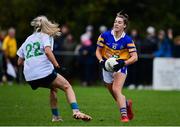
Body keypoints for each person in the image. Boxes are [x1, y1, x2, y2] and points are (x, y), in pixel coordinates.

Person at [17, 16, 92, 122]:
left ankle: (56, 117)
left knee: (53, 88)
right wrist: (57, 66)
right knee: (67, 86)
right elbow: (48, 51)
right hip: (43, 72)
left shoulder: (28, 39)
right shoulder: (45, 36)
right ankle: (76, 111)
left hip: (29, 77)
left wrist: (31, 65)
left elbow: (19, 62)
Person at [95, 12, 138, 122]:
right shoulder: (105, 35)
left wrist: (123, 63)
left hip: (120, 66)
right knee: (115, 94)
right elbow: (98, 51)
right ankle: (127, 103)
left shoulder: (128, 40)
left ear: (124, 25)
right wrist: (101, 61)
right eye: (115, 21)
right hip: (106, 66)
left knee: (116, 89)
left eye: (119, 22)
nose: (116, 24)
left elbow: (135, 57)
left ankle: (124, 116)